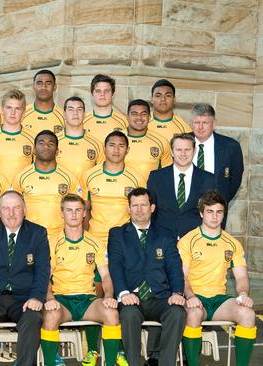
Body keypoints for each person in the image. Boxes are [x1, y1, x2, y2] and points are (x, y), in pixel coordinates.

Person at [108, 187, 186, 366]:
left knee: (177, 313)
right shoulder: (118, 234)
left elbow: (174, 267)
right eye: (134, 205)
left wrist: (177, 293)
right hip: (131, 297)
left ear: (152, 208)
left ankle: (165, 363)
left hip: (159, 296)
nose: (139, 209)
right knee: (128, 315)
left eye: (143, 205)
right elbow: (116, 267)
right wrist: (123, 293)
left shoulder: (166, 234)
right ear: (128, 209)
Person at [41, 194, 122, 366]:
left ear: (84, 213)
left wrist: (108, 295)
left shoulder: (96, 242)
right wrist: (49, 298)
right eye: (69, 210)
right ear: (62, 213)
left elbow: (106, 275)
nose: (74, 214)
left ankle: (110, 363)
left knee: (111, 313)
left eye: (78, 210)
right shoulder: (51, 242)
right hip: (62, 299)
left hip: (87, 300)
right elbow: (44, 277)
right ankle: (51, 361)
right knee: (50, 316)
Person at [0, 191, 49, 366]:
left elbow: (42, 270)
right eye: (6, 208)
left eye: (16, 208)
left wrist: (36, 297)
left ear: (25, 210)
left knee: (33, 318)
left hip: (24, 298)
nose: (11, 213)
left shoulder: (38, 233)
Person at [179, 191, 256, 366]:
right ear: (201, 213)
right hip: (194, 297)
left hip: (219, 300)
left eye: (219, 212)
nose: (215, 217)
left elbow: (242, 276)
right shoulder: (187, 241)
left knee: (247, 314)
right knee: (194, 314)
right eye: (210, 212)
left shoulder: (232, 243)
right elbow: (182, 276)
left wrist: (243, 293)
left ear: (224, 213)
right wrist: (190, 296)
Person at [13, 130, 80, 244]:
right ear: (34, 150)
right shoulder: (21, 177)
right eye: (41, 143)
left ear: (57, 151)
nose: (46, 147)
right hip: (29, 236)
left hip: (60, 237)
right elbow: (12, 209)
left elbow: (79, 210)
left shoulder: (69, 178)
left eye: (51, 144)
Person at [82, 131, 146, 246]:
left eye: (121, 146)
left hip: (125, 239)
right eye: (112, 145)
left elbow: (142, 212)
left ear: (127, 150)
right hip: (95, 238)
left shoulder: (137, 178)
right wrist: (85, 238)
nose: (116, 150)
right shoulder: (89, 176)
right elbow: (84, 210)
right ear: (104, 148)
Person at [147, 133, 215, 239]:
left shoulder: (208, 179)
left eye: (187, 149)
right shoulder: (156, 177)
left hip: (196, 240)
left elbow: (213, 212)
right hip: (162, 240)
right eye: (179, 150)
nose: (183, 154)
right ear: (172, 152)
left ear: (194, 151)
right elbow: (151, 211)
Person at [189, 103, 244, 224]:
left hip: (215, 211)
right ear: (191, 124)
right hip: (186, 210)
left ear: (214, 124)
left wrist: (219, 201)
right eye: (197, 122)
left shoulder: (231, 146)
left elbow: (235, 179)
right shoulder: (181, 143)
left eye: (205, 123)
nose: (200, 127)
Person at [0, 89, 34, 183]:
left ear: (24, 112)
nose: (13, 112)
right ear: (2, 110)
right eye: (9, 107)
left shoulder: (34, 138)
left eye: (17, 108)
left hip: (22, 193)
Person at [55, 96, 105, 181]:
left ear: (84, 114)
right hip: (59, 193)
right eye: (71, 109)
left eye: (79, 109)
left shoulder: (97, 145)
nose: (75, 113)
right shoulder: (53, 142)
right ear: (64, 114)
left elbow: (101, 175)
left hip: (85, 194)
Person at [124, 99, 172, 180]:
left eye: (143, 114)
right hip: (122, 192)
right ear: (127, 117)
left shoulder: (161, 142)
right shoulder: (115, 140)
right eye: (134, 114)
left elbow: (168, 174)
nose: (139, 117)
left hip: (150, 192)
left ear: (149, 117)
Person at [82, 74, 128, 142]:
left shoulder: (124, 121)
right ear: (92, 93)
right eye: (98, 91)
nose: (102, 94)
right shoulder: (82, 120)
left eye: (106, 91)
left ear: (112, 93)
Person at [21, 69, 66, 137]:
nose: (43, 87)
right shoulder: (21, 113)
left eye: (48, 83)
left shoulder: (64, 116)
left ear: (55, 87)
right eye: (39, 83)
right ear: (33, 86)